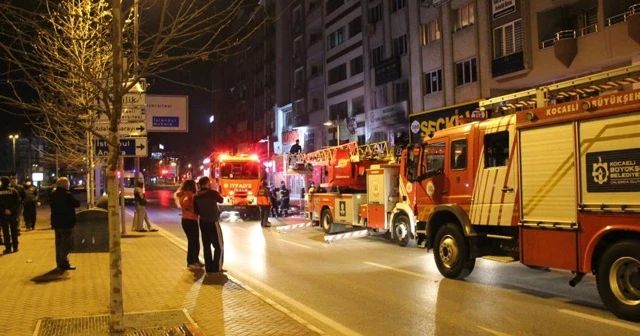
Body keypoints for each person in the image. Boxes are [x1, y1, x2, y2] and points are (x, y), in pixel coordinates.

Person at [193, 177, 225, 274]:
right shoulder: (213, 193)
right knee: (219, 246)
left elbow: (196, 211)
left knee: (206, 246)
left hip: (203, 222)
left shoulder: (196, 196)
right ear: (207, 183)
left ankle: (209, 267)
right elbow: (221, 200)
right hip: (213, 222)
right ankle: (216, 268)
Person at [49, 177, 80, 270]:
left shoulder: (53, 194)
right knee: (66, 243)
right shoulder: (67, 195)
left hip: (56, 222)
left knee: (58, 243)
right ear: (65, 185)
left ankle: (59, 262)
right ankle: (64, 262)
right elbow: (76, 204)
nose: (69, 185)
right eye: (68, 184)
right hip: (66, 222)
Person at [174, 179, 203, 269]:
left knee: (194, 241)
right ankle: (191, 262)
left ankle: (195, 260)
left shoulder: (184, 194)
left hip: (187, 220)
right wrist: (192, 209)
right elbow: (186, 203)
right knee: (193, 242)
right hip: (190, 220)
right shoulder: (189, 194)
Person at [0, 176, 21, 253]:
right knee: (14, 231)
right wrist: (11, 210)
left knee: (6, 232)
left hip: (3, 214)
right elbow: (18, 202)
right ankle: (15, 247)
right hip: (13, 214)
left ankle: (8, 248)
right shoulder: (14, 191)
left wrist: (4, 210)